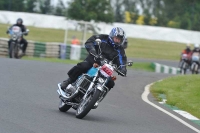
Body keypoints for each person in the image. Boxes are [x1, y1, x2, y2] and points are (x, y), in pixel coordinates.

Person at [60, 27, 127, 92]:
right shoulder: (102, 38)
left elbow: (122, 60)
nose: (117, 41)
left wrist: (123, 69)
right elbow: (89, 42)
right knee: (83, 66)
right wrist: (93, 52)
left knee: (111, 83)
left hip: (106, 69)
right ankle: (68, 82)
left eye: (119, 40)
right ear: (112, 36)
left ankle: (98, 98)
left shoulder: (120, 50)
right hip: (93, 61)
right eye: (116, 38)